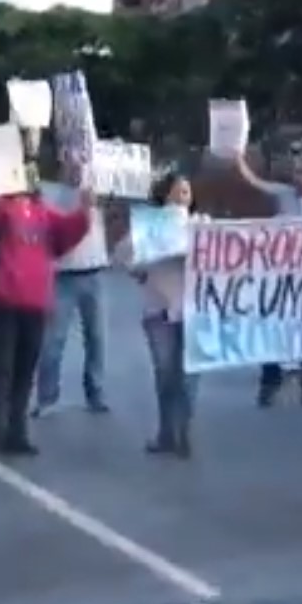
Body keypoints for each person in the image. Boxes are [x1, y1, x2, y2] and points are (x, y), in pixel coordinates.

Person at [0, 169, 92, 458]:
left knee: (24, 372)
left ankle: (16, 432)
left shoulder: (43, 212)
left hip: (34, 302)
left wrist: (85, 208)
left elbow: (67, 233)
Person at [234, 147, 302, 408]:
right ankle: (269, 384)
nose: (297, 176)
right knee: (274, 331)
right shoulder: (284, 195)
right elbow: (252, 182)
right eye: (295, 170)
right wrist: (237, 157)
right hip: (282, 280)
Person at [114, 171, 202, 458]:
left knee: (189, 376)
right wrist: (137, 266)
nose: (182, 194)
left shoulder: (201, 226)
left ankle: (183, 431)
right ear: (165, 195)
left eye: (187, 190)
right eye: (177, 189)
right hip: (159, 311)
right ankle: (167, 433)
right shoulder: (148, 227)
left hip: (192, 312)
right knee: (166, 376)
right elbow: (122, 255)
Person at [31, 162, 113, 417]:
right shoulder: (50, 193)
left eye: (80, 163)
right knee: (53, 340)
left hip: (94, 271)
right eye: (69, 161)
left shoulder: (96, 190)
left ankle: (96, 393)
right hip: (62, 275)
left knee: (97, 338)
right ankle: (47, 397)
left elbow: (115, 217)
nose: (75, 168)